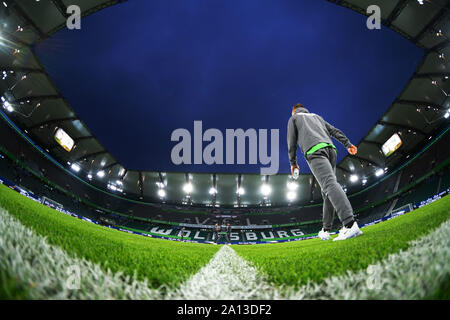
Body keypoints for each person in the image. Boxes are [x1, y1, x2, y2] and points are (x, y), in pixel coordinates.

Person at [287, 103, 362, 241]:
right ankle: (326, 229)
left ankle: (350, 224)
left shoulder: (294, 119)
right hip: (330, 149)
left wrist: (293, 163)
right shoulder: (317, 117)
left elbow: (291, 142)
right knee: (326, 189)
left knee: (329, 184)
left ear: (294, 111)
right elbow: (334, 130)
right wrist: (348, 144)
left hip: (314, 151)